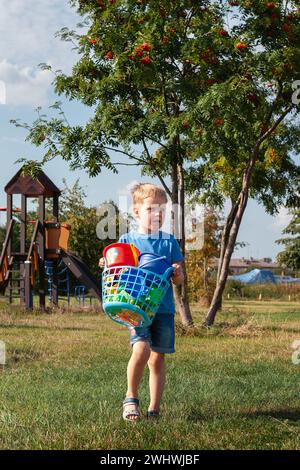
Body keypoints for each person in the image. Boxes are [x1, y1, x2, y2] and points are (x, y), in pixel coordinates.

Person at [99, 183, 184, 421]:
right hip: (135, 307)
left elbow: (179, 280)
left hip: (163, 309)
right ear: (136, 211)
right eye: (151, 209)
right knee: (142, 348)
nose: (158, 214)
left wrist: (177, 273)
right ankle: (131, 398)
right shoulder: (127, 239)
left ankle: (154, 409)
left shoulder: (169, 243)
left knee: (157, 357)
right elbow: (117, 269)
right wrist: (107, 264)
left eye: (162, 209)